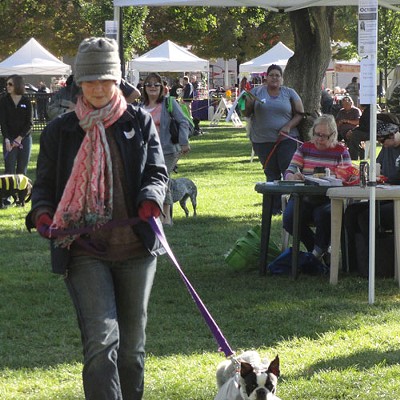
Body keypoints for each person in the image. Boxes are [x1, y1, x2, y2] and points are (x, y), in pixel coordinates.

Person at [25, 37, 169, 400]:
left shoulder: (138, 121)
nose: (98, 88)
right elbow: (43, 186)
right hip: (84, 249)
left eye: (105, 79)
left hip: (136, 249)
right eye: (90, 81)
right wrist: (42, 214)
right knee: (102, 345)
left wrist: (151, 199)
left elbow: (156, 171)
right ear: (78, 83)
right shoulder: (60, 131)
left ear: (118, 80)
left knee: (132, 351)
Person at [283, 114, 352, 262]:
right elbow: (289, 171)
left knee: (323, 215)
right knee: (289, 219)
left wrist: (338, 178)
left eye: (324, 136)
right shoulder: (305, 148)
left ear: (333, 135)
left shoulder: (341, 151)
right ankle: (316, 249)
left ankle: (316, 254)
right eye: (316, 134)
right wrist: (293, 176)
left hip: (329, 199)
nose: (319, 139)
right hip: (304, 197)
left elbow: (348, 178)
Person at [243, 64, 304, 213]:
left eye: (277, 75)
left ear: (282, 78)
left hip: (286, 139)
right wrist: (245, 100)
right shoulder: (256, 92)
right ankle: (275, 208)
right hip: (262, 140)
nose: (274, 78)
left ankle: (291, 206)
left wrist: (288, 126)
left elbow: (300, 113)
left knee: (287, 172)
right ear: (266, 77)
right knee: (271, 173)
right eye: (271, 75)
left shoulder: (289, 93)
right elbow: (245, 112)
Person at [344, 121, 400, 275]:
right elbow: (377, 169)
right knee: (351, 212)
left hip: (397, 200)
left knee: (367, 217)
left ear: (393, 133)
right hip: (385, 196)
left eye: (383, 140)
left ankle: (378, 263)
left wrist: (388, 180)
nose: (382, 144)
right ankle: (352, 265)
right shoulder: (386, 150)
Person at [141, 72, 191, 225]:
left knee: (162, 179)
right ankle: (154, 214)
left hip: (168, 149)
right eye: (149, 84)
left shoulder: (169, 103)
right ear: (144, 88)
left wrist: (184, 142)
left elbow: (183, 122)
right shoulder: (140, 106)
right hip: (147, 152)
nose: (152, 87)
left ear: (162, 87)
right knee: (154, 180)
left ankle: (166, 217)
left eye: (156, 84)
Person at [47, 75, 141, 121]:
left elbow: (135, 93)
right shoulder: (65, 92)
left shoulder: (112, 77)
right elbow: (50, 110)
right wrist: (71, 112)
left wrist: (115, 107)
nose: (98, 89)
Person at [0, 74, 33, 176]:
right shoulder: (3, 101)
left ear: (18, 85)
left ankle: (22, 192)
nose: (8, 86)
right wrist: (7, 139)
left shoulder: (26, 101)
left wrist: (19, 138)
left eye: (10, 84)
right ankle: (8, 192)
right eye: (7, 84)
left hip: (24, 139)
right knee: (9, 171)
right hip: (9, 139)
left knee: (21, 172)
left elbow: (30, 123)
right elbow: (3, 122)